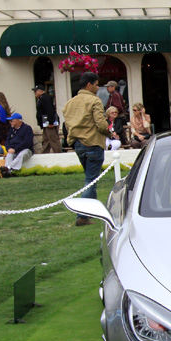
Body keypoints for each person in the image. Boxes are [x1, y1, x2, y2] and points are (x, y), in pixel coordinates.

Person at [64, 72, 109, 226]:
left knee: (91, 179)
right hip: (93, 142)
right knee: (91, 180)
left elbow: (67, 124)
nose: (98, 87)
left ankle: (92, 212)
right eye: (96, 84)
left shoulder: (70, 102)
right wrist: (110, 133)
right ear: (89, 85)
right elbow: (101, 124)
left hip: (78, 144)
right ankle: (82, 216)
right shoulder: (94, 101)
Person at [33, 85, 62, 153]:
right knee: (46, 140)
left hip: (49, 123)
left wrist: (51, 122)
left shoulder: (45, 98)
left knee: (53, 139)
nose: (35, 93)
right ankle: (44, 154)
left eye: (36, 91)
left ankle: (59, 155)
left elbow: (49, 110)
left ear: (41, 91)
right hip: (45, 123)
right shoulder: (41, 98)